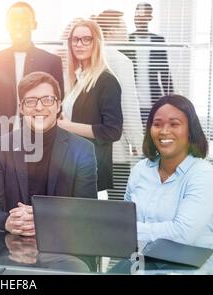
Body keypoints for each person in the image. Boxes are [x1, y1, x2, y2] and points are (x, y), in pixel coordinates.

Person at [0, 71, 97, 236]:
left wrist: (42, 217)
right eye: (30, 101)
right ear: (21, 108)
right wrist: (6, 221)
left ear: (58, 106)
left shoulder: (82, 150)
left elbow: (87, 210)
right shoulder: (0, 148)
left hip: (64, 245)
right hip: (11, 244)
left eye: (47, 100)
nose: (39, 107)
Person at [125, 94, 213, 248]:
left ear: (190, 131)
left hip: (190, 268)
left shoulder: (203, 174)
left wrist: (129, 230)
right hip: (141, 262)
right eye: (157, 124)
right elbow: (123, 219)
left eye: (174, 124)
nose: (164, 131)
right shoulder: (140, 170)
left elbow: (183, 233)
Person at [0, 2, 64, 142]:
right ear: (7, 25)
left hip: (41, 145)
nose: (18, 25)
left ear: (34, 24)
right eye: (13, 21)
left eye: (24, 21)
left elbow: (56, 104)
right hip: (2, 144)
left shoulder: (51, 61)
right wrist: (5, 138)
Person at [58, 19, 123, 196]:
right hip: (73, 167)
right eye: (75, 39)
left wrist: (66, 126)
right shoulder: (78, 78)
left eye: (86, 39)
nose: (79, 44)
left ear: (97, 43)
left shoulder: (106, 81)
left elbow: (112, 131)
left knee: (92, 224)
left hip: (93, 173)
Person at [95, 10, 143, 194]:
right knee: (119, 201)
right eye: (123, 26)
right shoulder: (121, 61)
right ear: (111, 31)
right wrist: (138, 144)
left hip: (87, 146)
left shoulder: (88, 59)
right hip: (115, 147)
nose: (127, 31)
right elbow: (128, 105)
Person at [126, 2, 174, 126]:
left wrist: (172, 99)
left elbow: (165, 72)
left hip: (152, 101)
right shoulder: (127, 40)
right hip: (131, 102)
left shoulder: (158, 41)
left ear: (150, 17)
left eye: (142, 15)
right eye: (137, 15)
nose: (138, 18)